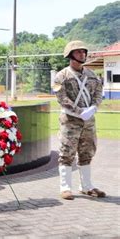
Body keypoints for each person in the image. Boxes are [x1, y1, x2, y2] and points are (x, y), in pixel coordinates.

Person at [53, 40, 106, 200]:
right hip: (70, 121)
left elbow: (98, 92)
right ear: (70, 55)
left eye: (84, 52)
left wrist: (94, 108)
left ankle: (87, 186)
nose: (82, 54)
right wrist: (78, 111)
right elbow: (61, 97)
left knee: (87, 152)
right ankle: (65, 188)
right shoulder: (62, 76)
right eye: (78, 52)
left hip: (88, 121)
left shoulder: (91, 75)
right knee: (66, 153)